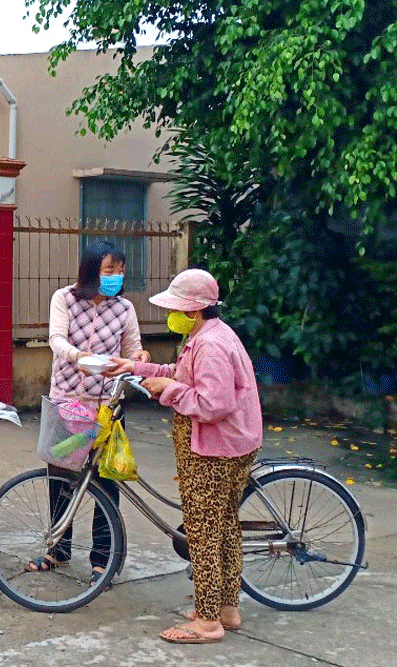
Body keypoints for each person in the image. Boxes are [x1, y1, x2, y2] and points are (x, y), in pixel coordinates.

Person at [108, 268, 262, 644]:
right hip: (231, 444)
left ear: (194, 312)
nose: (170, 316)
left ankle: (208, 622)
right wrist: (138, 368)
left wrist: (169, 390)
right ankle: (226, 607)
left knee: (204, 532)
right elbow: (181, 373)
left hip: (214, 449)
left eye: (175, 310)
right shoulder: (209, 335)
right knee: (224, 527)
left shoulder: (210, 345)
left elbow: (213, 403)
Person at [26, 241, 149, 584]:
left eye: (120, 271)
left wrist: (140, 359)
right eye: (109, 270)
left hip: (108, 408)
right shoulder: (64, 299)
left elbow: (133, 349)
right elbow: (56, 339)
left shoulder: (124, 309)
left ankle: (102, 560)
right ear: (91, 269)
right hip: (68, 405)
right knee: (60, 478)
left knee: (106, 482)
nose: (115, 277)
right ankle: (57, 548)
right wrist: (78, 357)